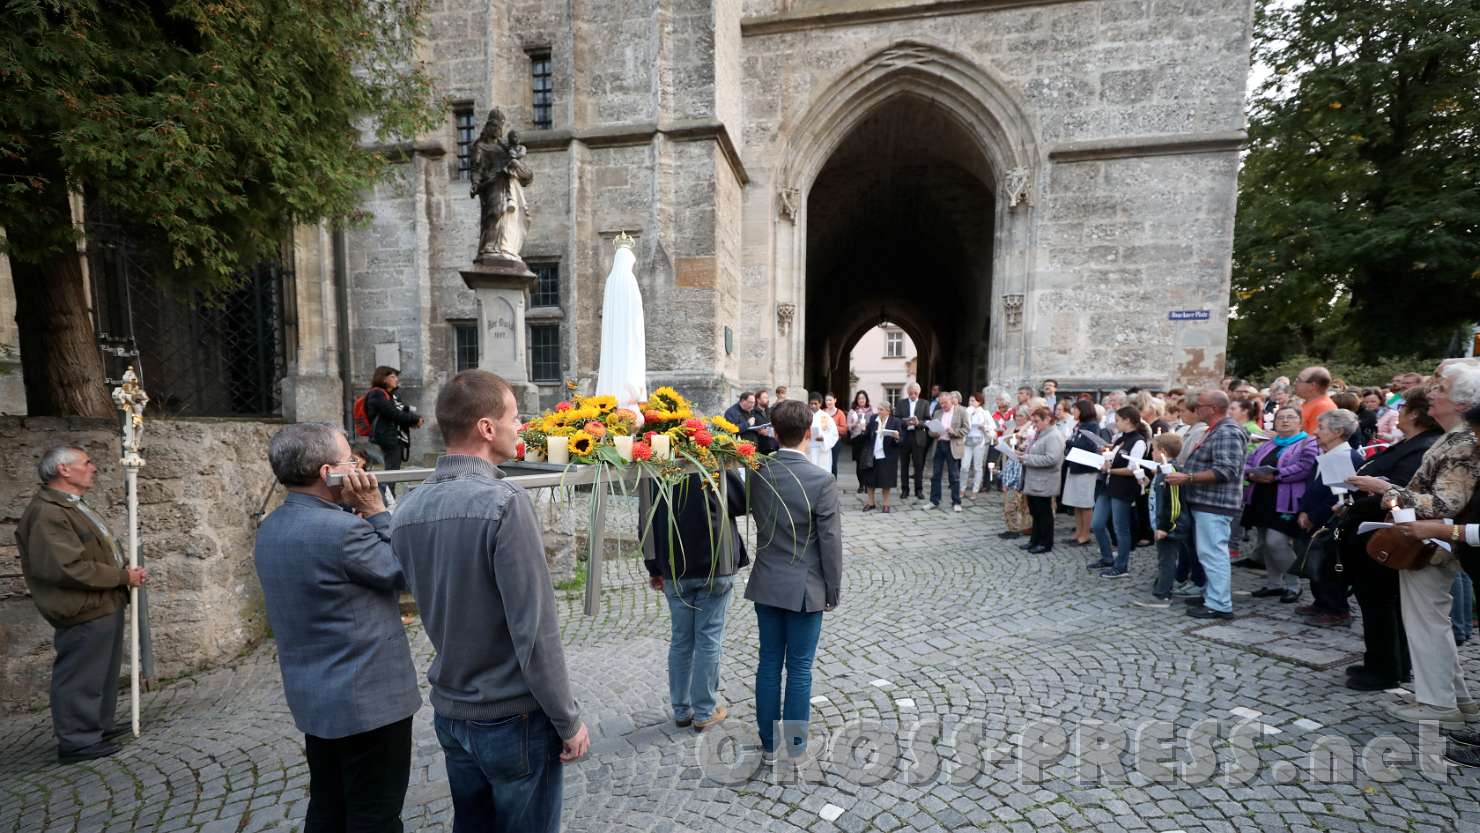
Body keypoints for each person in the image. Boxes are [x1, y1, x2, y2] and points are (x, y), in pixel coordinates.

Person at [390, 370, 589, 832]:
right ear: (486, 427)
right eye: (515, 418)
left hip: (453, 711)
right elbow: (535, 630)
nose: (520, 427)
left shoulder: (408, 508)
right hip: (510, 715)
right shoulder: (504, 502)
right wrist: (568, 719)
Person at [254, 423, 421, 833]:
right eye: (351, 460)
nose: (358, 466)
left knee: (329, 806)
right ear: (328, 471)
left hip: (315, 699)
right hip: (369, 704)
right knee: (375, 814)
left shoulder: (272, 526)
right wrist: (378, 512)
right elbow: (406, 573)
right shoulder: (344, 532)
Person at [1347, 364, 1480, 725]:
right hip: (1429, 541)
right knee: (1429, 621)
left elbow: (1443, 505)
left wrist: (1385, 490)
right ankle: (1456, 700)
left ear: (1463, 401)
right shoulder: (1455, 435)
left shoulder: (1464, 441)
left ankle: (1438, 706)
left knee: (1427, 624)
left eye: (1442, 387)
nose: (1432, 393)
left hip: (1432, 545)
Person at [16, 446, 149, 764]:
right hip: (81, 605)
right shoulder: (48, 513)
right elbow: (67, 567)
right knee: (80, 673)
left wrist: (123, 571)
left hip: (101, 601)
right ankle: (77, 740)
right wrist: (121, 575)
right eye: (86, 463)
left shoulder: (71, 506)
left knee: (101, 670)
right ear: (64, 470)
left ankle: (96, 726)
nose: (93, 468)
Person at [742, 399, 842, 762]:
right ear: (808, 433)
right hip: (805, 586)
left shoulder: (757, 471)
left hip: (768, 580)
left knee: (769, 662)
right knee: (799, 668)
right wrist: (833, 589)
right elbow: (830, 542)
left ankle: (769, 746)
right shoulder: (821, 480)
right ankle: (796, 747)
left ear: (773, 430)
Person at [1337, 387, 1441, 691]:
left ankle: (1385, 669)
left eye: (1404, 407)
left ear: (1414, 415)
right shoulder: (1410, 442)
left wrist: (1372, 486)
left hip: (1386, 534)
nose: (1398, 411)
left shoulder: (1423, 447)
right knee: (1378, 603)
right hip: (1372, 528)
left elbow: (1405, 491)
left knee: (1380, 603)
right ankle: (1386, 663)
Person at [643, 470, 748, 732]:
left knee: (681, 639)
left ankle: (682, 710)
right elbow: (743, 501)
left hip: (674, 565)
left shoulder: (654, 464)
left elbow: (645, 520)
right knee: (708, 638)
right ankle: (703, 711)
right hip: (715, 562)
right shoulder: (712, 457)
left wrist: (654, 568)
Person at [1165, 390, 1248, 620]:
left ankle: (1220, 604)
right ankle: (1213, 596)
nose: (1196, 407)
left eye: (1199, 405)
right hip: (1206, 501)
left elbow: (1226, 470)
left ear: (1212, 408)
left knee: (1213, 554)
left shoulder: (1228, 432)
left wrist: (1188, 478)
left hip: (1215, 503)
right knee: (1208, 553)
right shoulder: (1217, 430)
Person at [1294, 409, 1366, 628]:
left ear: (1337, 432)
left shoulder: (1344, 457)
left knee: (1330, 564)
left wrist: (1313, 516)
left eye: (1321, 428)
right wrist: (1304, 511)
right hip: (1314, 519)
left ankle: (1337, 609)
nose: (1315, 432)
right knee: (1316, 562)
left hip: (1330, 523)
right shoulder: (1328, 453)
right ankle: (1321, 602)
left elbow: (1339, 497)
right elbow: (1314, 487)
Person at [1241, 406, 1318, 604]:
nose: (1285, 421)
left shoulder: (1308, 442)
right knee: (1265, 542)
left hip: (1287, 501)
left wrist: (1275, 475)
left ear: (1300, 422)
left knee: (1276, 542)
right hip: (1261, 497)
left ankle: (1294, 584)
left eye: (1290, 417)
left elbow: (1305, 467)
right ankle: (1274, 584)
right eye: (1280, 418)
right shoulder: (1268, 443)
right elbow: (1248, 461)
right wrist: (1251, 473)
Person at [1088, 406, 1150, 578]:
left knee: (1120, 528)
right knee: (1097, 524)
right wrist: (1105, 462)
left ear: (1128, 420)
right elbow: (1113, 460)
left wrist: (1110, 471)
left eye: (1118, 420)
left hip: (1123, 489)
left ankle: (1121, 565)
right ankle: (1107, 558)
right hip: (1108, 486)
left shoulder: (1138, 441)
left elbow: (1133, 468)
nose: (1115, 424)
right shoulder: (1120, 439)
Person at [1133, 433, 1188, 608]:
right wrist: (1146, 482)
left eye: (1154, 450)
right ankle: (1162, 585)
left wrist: (1164, 526)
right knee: (1165, 557)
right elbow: (1158, 495)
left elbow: (1172, 502)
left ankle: (1162, 595)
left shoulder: (1169, 472)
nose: (1152, 453)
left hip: (1169, 525)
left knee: (1167, 559)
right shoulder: (1162, 471)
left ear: (1162, 451)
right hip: (1162, 523)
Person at [365, 366, 424, 497]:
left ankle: (389, 495)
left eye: (396, 377)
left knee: (393, 468)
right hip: (387, 437)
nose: (396, 379)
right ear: (383, 378)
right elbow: (393, 413)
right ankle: (388, 497)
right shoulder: (377, 394)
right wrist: (415, 420)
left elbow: (400, 412)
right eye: (392, 377)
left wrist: (414, 419)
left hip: (392, 436)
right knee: (391, 470)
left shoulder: (390, 395)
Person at [1017, 406, 1066, 554]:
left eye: (1037, 421)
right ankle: (1035, 540)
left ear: (1048, 419)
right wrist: (1022, 452)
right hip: (1034, 479)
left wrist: (1026, 458)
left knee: (1043, 513)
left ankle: (1045, 543)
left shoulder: (1054, 436)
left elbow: (1052, 459)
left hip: (1044, 481)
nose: (1034, 424)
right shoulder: (1041, 433)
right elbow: (1035, 451)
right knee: (1035, 512)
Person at [1062, 400, 1102, 546]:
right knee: (1076, 502)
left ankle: (1085, 534)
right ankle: (1078, 532)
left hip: (1086, 468)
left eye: (1076, 409)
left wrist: (1069, 443)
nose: (1074, 412)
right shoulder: (1079, 425)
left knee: (1085, 503)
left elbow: (1088, 446)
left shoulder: (1092, 425)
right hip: (1075, 465)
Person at [928, 391, 969, 512]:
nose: (943, 405)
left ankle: (956, 502)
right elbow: (931, 431)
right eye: (941, 403)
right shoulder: (937, 412)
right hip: (939, 444)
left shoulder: (961, 411)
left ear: (952, 400)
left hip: (953, 444)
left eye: (945, 403)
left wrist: (954, 432)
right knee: (936, 475)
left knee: (954, 475)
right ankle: (934, 500)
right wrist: (934, 432)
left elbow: (966, 428)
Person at [859, 403, 902, 512]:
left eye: (881, 409)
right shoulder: (874, 419)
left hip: (887, 455)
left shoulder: (895, 421)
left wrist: (897, 438)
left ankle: (886, 504)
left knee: (886, 482)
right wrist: (863, 430)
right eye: (878, 409)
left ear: (888, 411)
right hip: (873, 454)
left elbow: (901, 440)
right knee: (870, 481)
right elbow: (867, 435)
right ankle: (871, 503)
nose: (879, 411)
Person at [896, 383, 931, 500]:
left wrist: (918, 423)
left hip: (918, 436)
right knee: (904, 465)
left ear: (919, 392)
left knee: (918, 465)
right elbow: (896, 419)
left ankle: (919, 490)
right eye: (911, 393)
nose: (913, 395)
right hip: (905, 436)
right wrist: (905, 422)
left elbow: (927, 421)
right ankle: (905, 490)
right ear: (908, 392)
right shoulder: (901, 403)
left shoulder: (924, 403)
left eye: (915, 393)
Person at [962, 394, 994, 494]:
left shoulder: (985, 413)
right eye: (970, 401)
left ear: (979, 402)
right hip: (967, 441)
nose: (971, 403)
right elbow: (962, 424)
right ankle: (961, 488)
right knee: (964, 466)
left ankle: (975, 489)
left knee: (977, 466)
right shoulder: (966, 411)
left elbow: (992, 427)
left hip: (979, 441)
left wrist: (984, 427)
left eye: (973, 401)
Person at [846, 391, 874, 493]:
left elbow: (875, 424)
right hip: (857, 438)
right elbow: (848, 427)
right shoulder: (852, 411)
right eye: (859, 398)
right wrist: (855, 424)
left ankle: (867, 484)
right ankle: (861, 484)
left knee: (867, 462)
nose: (861, 400)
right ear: (856, 400)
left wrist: (867, 427)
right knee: (859, 463)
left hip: (868, 438)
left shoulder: (871, 411)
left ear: (866, 399)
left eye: (863, 398)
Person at [1295, 366, 1336, 435]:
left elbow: (1314, 441)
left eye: (1299, 380)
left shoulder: (1324, 407)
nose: (1295, 383)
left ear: (1312, 386)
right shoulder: (1310, 402)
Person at [805, 392, 839, 472]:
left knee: (822, 471)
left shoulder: (826, 417)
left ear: (820, 404)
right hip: (808, 449)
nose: (813, 406)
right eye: (811, 403)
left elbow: (834, 434)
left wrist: (823, 438)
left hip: (822, 450)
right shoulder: (805, 416)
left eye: (815, 404)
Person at [823, 393, 847, 477]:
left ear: (835, 400)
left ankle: (833, 483)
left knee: (833, 464)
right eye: (827, 400)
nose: (828, 402)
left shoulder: (840, 413)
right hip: (823, 441)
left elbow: (844, 430)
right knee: (823, 463)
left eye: (830, 400)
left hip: (835, 442)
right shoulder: (822, 412)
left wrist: (832, 427)